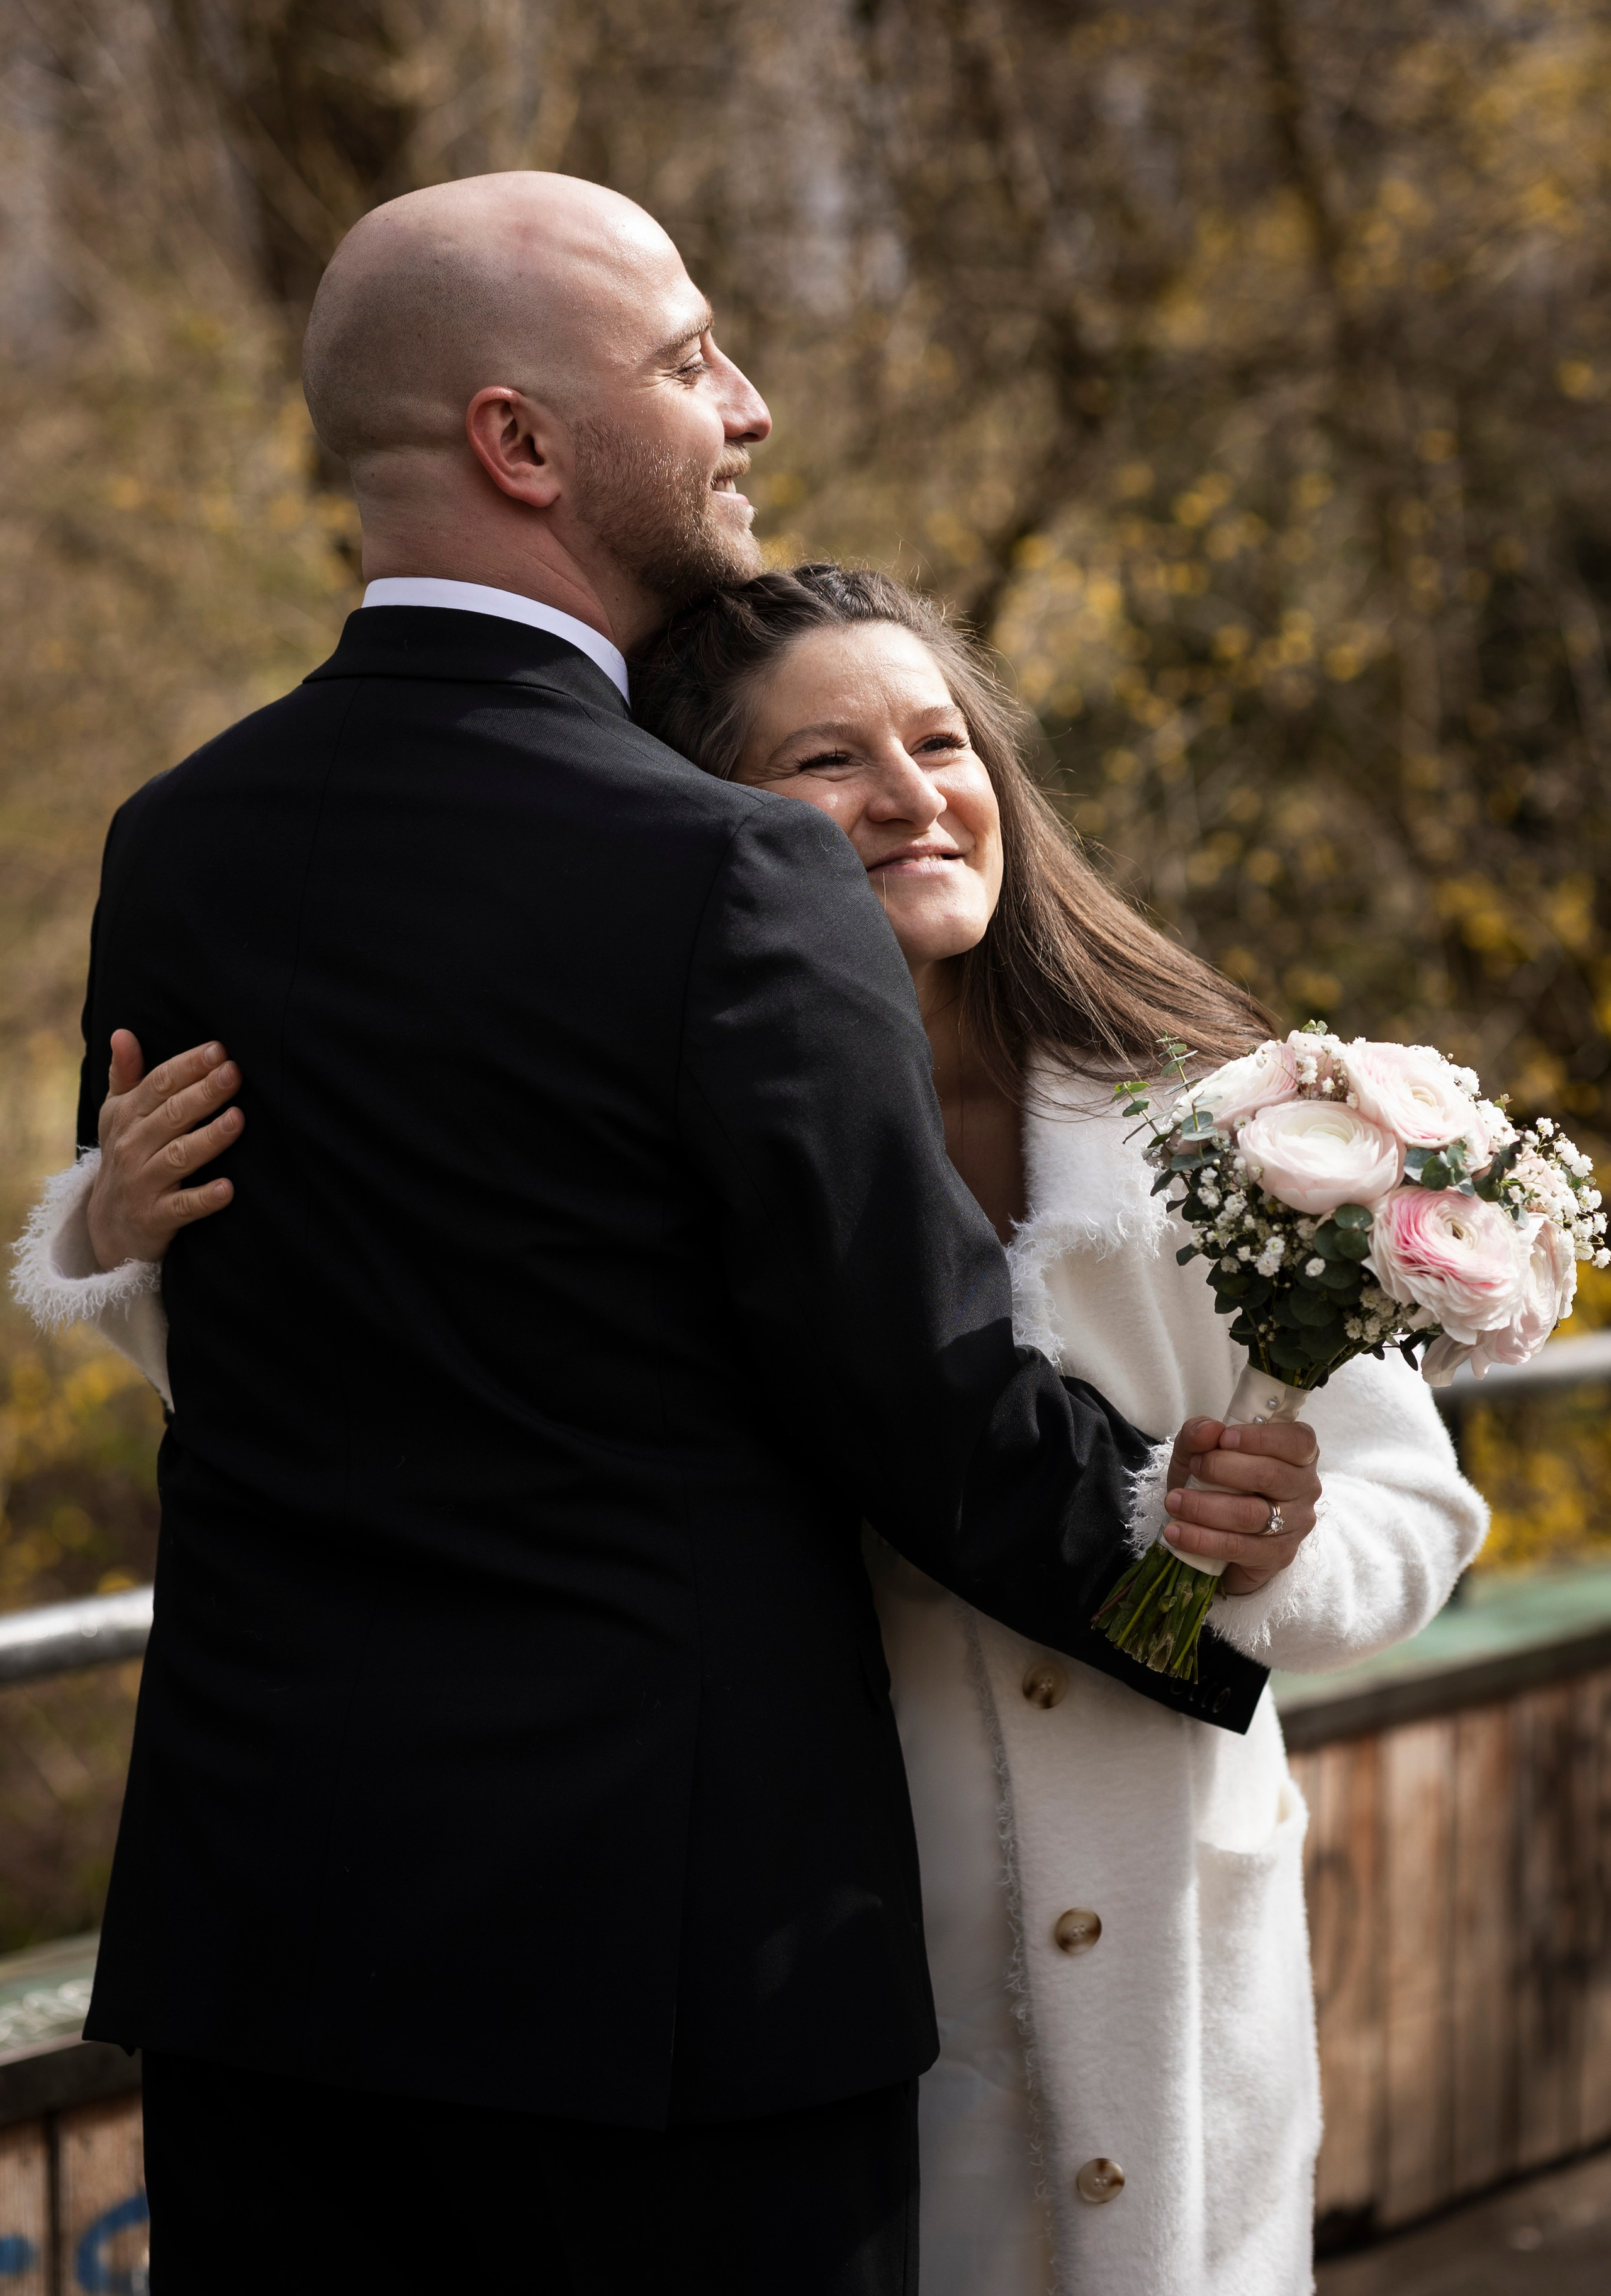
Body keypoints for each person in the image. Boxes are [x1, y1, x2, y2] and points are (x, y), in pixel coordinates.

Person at [8, 174, 1320, 2296]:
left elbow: (271, 1309)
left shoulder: (181, 842)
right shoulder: (726, 873)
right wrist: (1193, 1601)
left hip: (268, 1953)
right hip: (670, 1977)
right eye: (693, 360)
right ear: (523, 445)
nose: (753, 405)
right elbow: (916, 1395)